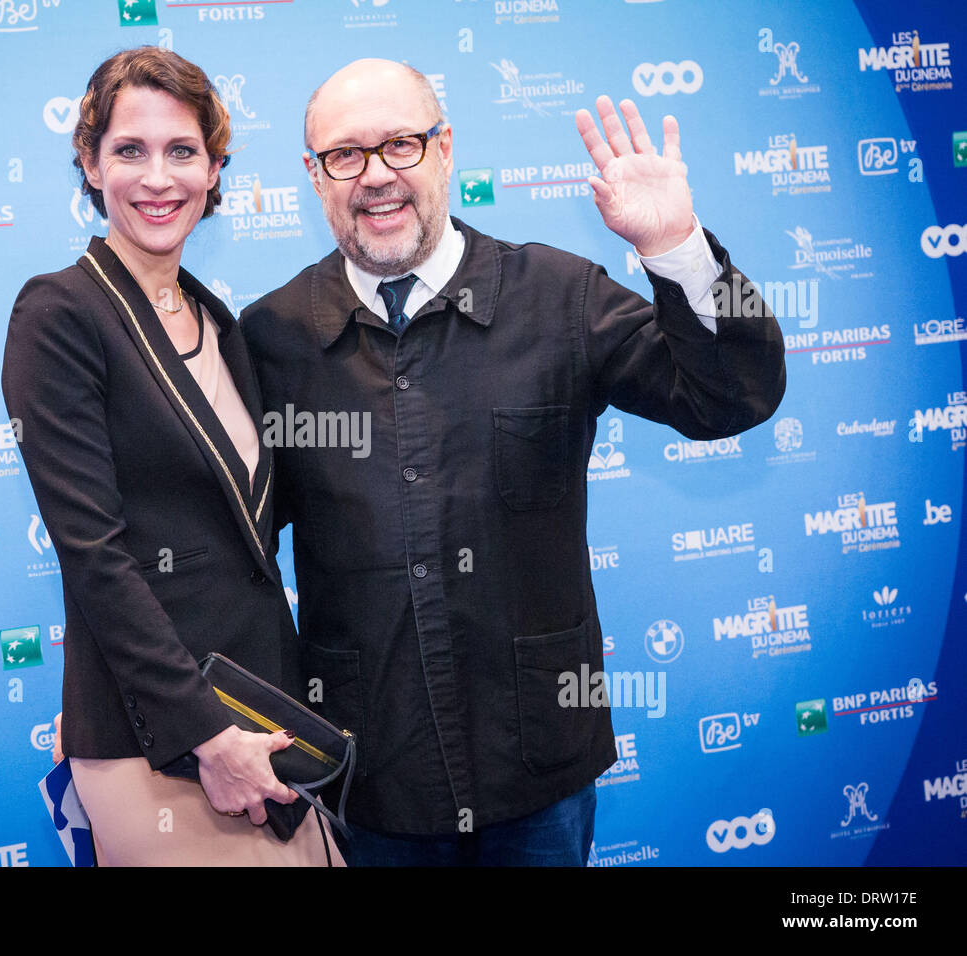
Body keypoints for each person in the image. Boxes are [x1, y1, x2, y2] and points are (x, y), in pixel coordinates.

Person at [238, 58, 786, 865]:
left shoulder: (559, 296)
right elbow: (232, 545)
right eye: (345, 155)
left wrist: (677, 247)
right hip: (372, 775)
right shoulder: (272, 336)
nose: (377, 176)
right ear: (314, 176)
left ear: (445, 147)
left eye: (400, 144)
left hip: (540, 770)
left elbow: (734, 394)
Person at [1, 46, 342, 866]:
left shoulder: (219, 321)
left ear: (216, 167)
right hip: (160, 740)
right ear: (89, 163)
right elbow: (95, 557)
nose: (160, 177)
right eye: (130, 150)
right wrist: (205, 735)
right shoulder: (60, 313)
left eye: (183, 151)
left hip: (267, 723)